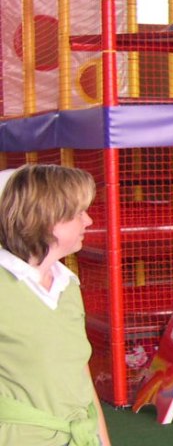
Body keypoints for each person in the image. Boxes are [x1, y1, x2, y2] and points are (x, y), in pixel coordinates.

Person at [0, 165, 111, 446]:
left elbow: (80, 377)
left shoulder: (68, 286)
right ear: (46, 219)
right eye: (77, 214)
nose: (88, 220)